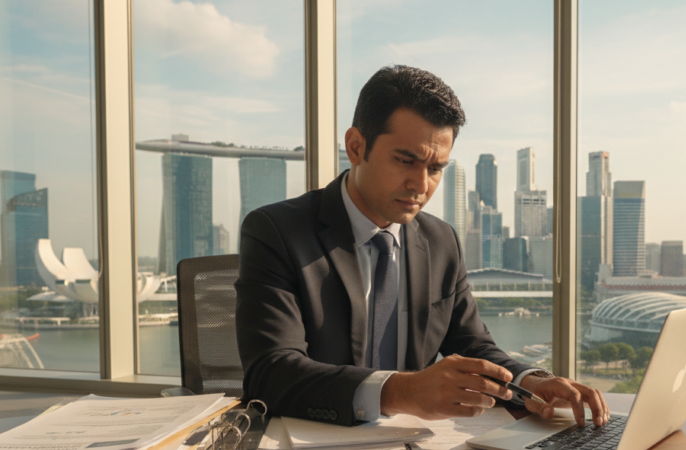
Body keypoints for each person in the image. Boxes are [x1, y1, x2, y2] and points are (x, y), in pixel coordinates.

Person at [236, 65, 607, 427]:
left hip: (417, 446)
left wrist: (530, 381)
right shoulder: (277, 231)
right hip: (304, 449)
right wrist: (401, 392)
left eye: (435, 168)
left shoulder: (441, 240)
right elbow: (271, 373)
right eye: (405, 160)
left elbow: (473, 346)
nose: (420, 184)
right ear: (355, 146)